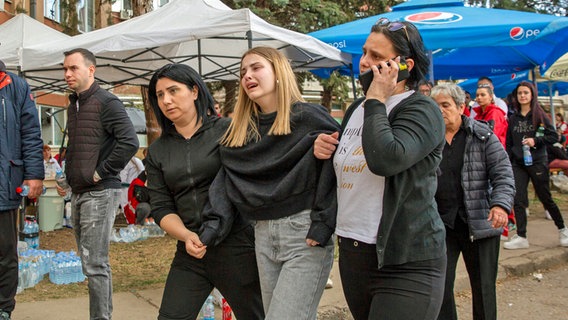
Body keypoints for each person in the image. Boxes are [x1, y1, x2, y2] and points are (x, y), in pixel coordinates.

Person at [314, 18, 447, 320]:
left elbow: (385, 159)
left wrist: (376, 99)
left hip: (407, 261)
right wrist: (325, 148)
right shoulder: (357, 109)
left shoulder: (421, 109)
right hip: (355, 255)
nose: (364, 62)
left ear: (405, 64)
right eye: (364, 53)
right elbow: (349, 167)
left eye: (376, 57)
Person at [199, 46, 340, 320]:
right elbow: (227, 183)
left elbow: (339, 172)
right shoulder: (242, 130)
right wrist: (209, 230)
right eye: (242, 72)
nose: (247, 76)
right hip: (262, 237)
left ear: (279, 73)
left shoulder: (309, 117)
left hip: (304, 235)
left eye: (256, 68)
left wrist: (323, 224)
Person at [145, 63, 264, 320]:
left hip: (236, 246)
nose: (166, 100)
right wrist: (187, 236)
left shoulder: (229, 131)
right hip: (190, 251)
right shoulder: (158, 150)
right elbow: (162, 206)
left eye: (173, 90)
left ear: (195, 91)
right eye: (160, 95)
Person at [55, 48, 139, 320]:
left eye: (73, 68)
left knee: (95, 263)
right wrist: (68, 178)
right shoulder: (75, 104)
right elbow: (81, 147)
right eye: (65, 68)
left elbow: (130, 142)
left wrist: (100, 173)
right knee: (90, 262)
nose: (67, 73)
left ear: (91, 70)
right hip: (79, 193)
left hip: (100, 193)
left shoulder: (107, 102)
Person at [430, 84, 515, 320]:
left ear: (461, 107)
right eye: (435, 106)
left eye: (445, 105)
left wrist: (500, 205)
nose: (440, 111)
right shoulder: (428, 139)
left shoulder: (482, 135)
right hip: (441, 225)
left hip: (479, 223)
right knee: (440, 288)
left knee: (483, 288)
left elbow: (504, 174)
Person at [0, 61, 44, 320]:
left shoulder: (15, 86)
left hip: (4, 183)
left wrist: (35, 174)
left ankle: (4, 307)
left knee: (5, 252)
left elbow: (30, 133)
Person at [504, 81, 568, 249]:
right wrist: (510, 162)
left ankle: (563, 230)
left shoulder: (540, 115)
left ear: (532, 95)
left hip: (537, 162)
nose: (522, 96)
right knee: (518, 199)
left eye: (525, 92)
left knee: (545, 197)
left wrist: (536, 141)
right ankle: (521, 235)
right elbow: (509, 143)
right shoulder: (513, 118)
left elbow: (553, 136)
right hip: (518, 163)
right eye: (520, 93)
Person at [119, 155, 144, 223]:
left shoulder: (127, 161)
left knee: (128, 208)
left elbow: (122, 179)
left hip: (127, 189)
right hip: (133, 188)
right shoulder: (136, 160)